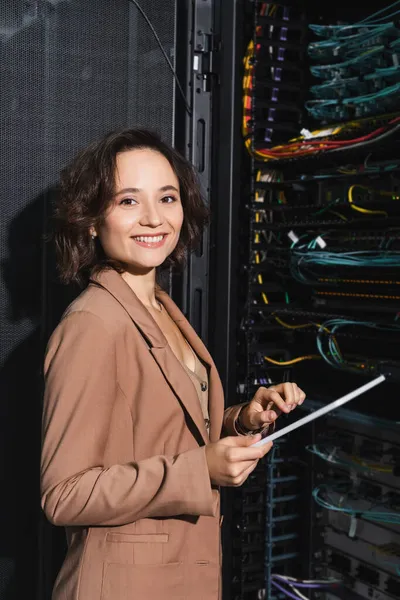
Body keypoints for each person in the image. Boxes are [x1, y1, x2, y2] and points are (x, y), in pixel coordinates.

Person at [40, 129, 305, 600]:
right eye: (127, 201)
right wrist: (199, 470)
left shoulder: (159, 308)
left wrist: (240, 418)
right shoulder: (92, 324)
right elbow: (64, 494)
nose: (154, 218)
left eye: (167, 197)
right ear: (92, 221)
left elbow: (157, 429)